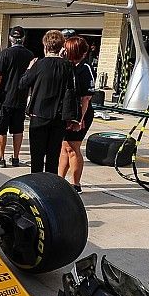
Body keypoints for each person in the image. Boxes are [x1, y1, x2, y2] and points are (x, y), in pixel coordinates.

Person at [18, 30, 76, 174]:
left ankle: (36, 183)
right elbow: (72, 91)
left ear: (45, 46)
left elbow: (22, 84)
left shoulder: (38, 64)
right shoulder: (67, 66)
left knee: (37, 157)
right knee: (53, 157)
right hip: (58, 116)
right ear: (62, 46)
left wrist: (29, 69)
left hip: (39, 114)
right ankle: (51, 184)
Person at [0, 26, 33, 167]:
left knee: (1, 129)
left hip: (5, 97)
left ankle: (1, 157)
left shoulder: (5, 53)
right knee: (18, 129)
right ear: (23, 38)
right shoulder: (30, 55)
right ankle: (15, 157)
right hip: (21, 97)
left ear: (10, 38)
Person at [59, 36, 95, 193]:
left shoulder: (85, 68)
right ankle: (60, 179)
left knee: (73, 147)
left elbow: (86, 98)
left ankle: (76, 183)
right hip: (67, 112)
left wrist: (79, 119)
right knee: (64, 147)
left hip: (81, 112)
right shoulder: (67, 65)